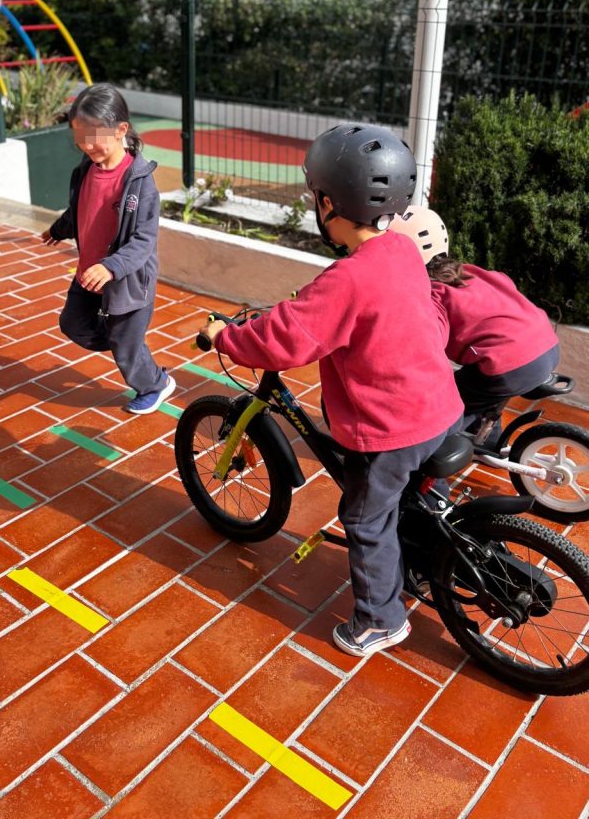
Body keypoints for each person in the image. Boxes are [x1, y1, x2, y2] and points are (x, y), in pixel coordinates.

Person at [199, 124, 464, 658]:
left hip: (390, 430)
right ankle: (421, 547)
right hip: (440, 407)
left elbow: (282, 341)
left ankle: (380, 620)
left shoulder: (346, 279)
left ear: (327, 203)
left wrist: (224, 336)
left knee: (364, 518)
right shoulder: (402, 250)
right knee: (403, 494)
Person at [41, 83, 175, 415]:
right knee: (72, 324)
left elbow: (143, 241)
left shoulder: (140, 183)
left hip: (127, 282)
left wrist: (111, 267)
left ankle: (155, 383)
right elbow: (79, 210)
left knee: (126, 347)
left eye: (93, 137)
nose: (86, 146)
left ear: (121, 130)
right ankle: (125, 342)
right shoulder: (85, 170)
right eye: (80, 139)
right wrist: (58, 230)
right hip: (89, 273)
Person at [390, 206, 559, 446]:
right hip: (547, 346)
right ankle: (490, 442)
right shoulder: (470, 271)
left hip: (510, 366)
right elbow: (505, 283)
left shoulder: (433, 292)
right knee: (480, 390)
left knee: (444, 405)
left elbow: (430, 343)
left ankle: (433, 457)